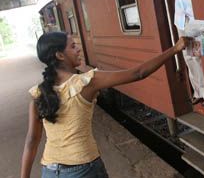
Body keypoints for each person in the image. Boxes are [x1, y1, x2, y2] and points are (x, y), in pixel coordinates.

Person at [21, 31, 189, 178]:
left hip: (49, 171)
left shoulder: (38, 94)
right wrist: (175, 49)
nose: (78, 48)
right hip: (83, 169)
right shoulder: (86, 82)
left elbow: (32, 141)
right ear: (60, 55)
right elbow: (138, 73)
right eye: (72, 46)